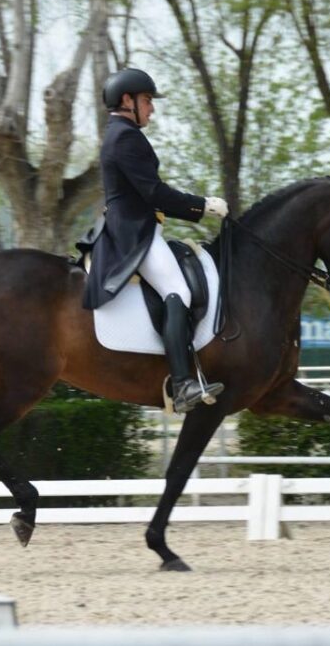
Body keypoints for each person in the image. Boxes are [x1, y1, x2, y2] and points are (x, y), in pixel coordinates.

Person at [83, 68, 228, 414]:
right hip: (133, 233)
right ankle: (182, 384)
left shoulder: (119, 134)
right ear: (127, 101)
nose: (152, 109)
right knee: (178, 290)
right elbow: (154, 192)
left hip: (136, 227)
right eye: (147, 101)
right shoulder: (125, 137)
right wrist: (202, 205)